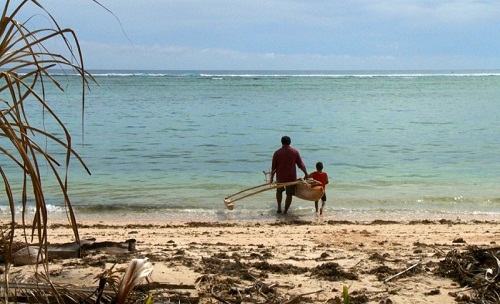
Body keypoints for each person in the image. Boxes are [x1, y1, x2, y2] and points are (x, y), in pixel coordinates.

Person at [270, 136, 308, 215]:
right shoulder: (295, 152)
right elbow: (301, 165)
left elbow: (273, 168)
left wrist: (271, 178)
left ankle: (279, 208)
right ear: (290, 142)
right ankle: (285, 211)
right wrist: (306, 174)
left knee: (279, 192)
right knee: (289, 194)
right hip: (291, 177)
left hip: (280, 177)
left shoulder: (277, 153)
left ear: (281, 142)